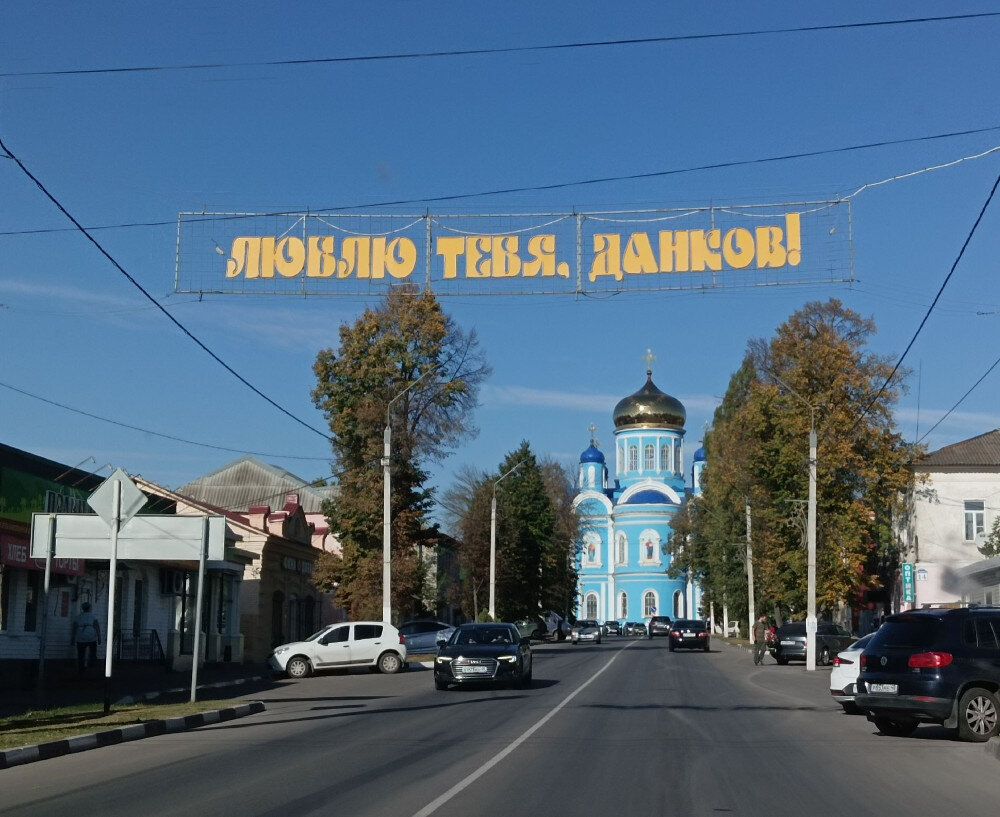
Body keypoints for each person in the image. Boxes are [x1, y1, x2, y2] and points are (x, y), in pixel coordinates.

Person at [71, 602, 101, 674]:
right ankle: (91, 666)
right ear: (90, 608)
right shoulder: (93, 616)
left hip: (80, 637)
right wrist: (99, 637)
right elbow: (97, 627)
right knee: (93, 652)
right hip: (91, 637)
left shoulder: (78, 617)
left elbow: (74, 628)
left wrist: (72, 639)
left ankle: (81, 669)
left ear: (82, 608)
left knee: (81, 654)